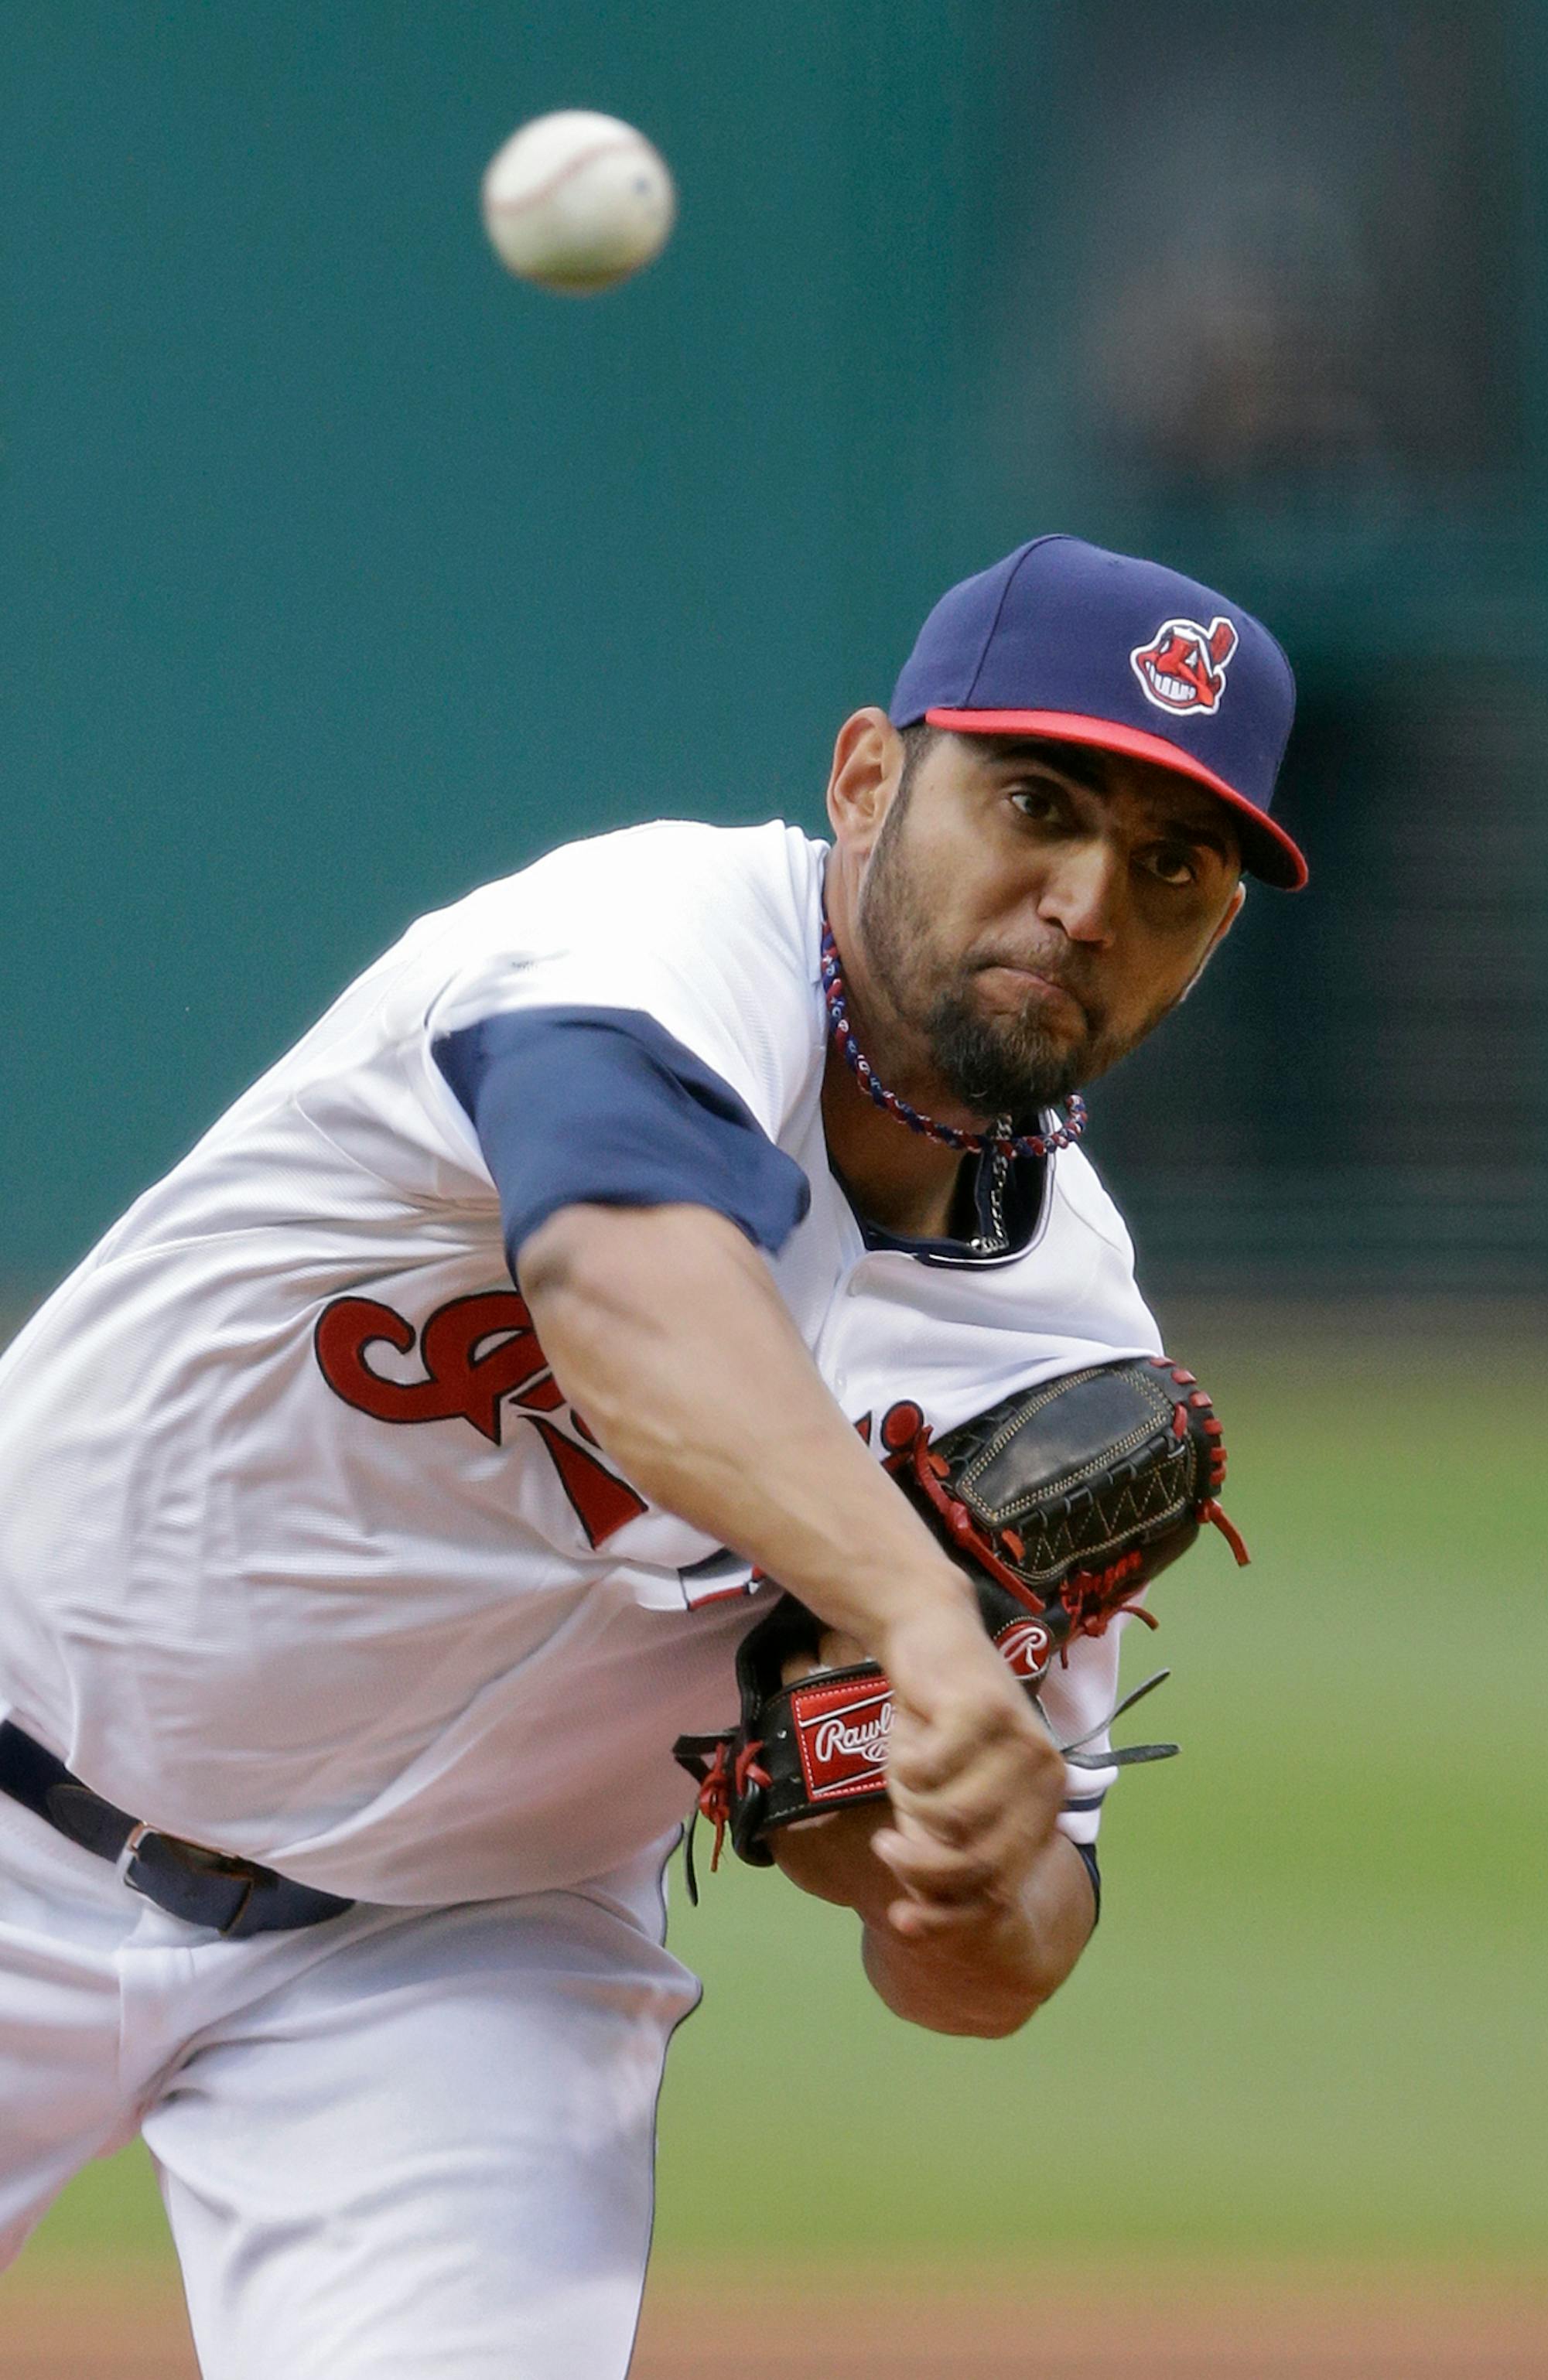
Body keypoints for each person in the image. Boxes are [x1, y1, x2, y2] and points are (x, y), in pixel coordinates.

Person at [0, 534, 1305, 2377]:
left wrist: (965, 1871)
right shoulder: (654, 939)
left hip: (450, 1958)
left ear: (1213, 934)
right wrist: (919, 1620)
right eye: (1034, 800)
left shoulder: (1069, 1345)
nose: (1087, 897)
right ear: (867, 776)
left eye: (1170, 867)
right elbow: (624, 1278)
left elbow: (981, 1973)